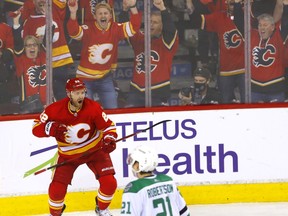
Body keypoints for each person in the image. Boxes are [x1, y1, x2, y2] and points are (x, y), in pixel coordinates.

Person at [32, 78, 118, 216]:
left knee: (109, 183)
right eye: (77, 93)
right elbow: (36, 128)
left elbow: (108, 126)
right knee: (56, 190)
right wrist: (50, 128)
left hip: (95, 151)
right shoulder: (54, 110)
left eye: (83, 92)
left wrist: (109, 138)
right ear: (69, 93)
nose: (81, 96)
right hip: (68, 156)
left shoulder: (93, 107)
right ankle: (55, 213)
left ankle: (101, 209)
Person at [67, 0, 141, 109]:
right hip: (85, 79)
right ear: (95, 16)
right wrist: (73, 13)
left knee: (112, 110)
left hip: (105, 78)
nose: (103, 15)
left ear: (110, 15)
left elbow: (134, 27)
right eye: (100, 13)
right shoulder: (88, 29)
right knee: (86, 112)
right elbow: (74, 32)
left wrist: (133, 7)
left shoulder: (116, 28)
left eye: (105, 13)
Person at [119, 0, 179, 107]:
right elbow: (125, 29)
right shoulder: (139, 38)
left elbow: (170, 30)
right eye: (149, 21)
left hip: (159, 90)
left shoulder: (167, 42)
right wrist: (124, 10)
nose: (151, 24)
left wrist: (162, 9)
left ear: (162, 26)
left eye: (155, 22)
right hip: (136, 90)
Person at [187, 0, 245, 104]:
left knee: (249, 104)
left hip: (247, 70)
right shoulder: (220, 17)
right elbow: (197, 21)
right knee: (225, 103)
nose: (233, 6)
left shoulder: (250, 17)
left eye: (236, 3)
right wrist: (190, 6)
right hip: (226, 70)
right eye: (230, 4)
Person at [234, 0, 288, 103]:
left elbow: (286, 22)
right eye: (260, 25)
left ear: (273, 27)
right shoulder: (252, 36)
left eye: (265, 25)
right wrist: (237, 4)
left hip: (275, 89)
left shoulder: (279, 36)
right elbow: (240, 23)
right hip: (255, 89)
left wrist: (286, 5)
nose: (262, 27)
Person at [22, 0, 74, 101]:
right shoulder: (29, 21)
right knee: (43, 99)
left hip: (60, 62)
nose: (41, 1)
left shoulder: (56, 10)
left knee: (61, 97)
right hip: (41, 65)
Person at [120, 145, 191, 216]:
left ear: (139, 165)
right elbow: (185, 212)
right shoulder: (168, 180)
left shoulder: (134, 188)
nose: (132, 165)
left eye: (133, 162)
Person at [12, 10, 46, 114]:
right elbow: (17, 43)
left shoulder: (44, 56)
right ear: (24, 48)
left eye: (34, 45)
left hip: (47, 105)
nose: (32, 47)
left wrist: (46, 17)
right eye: (28, 45)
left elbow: (49, 34)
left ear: (38, 47)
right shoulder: (21, 60)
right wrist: (16, 23)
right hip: (28, 107)